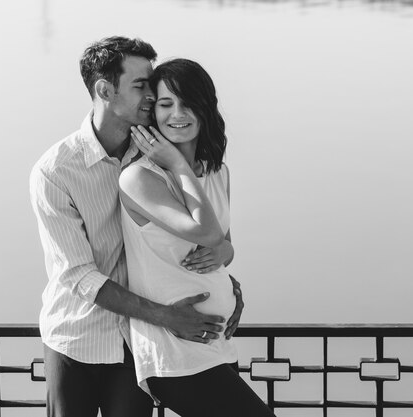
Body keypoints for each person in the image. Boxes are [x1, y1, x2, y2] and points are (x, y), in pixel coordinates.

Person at [29, 37, 244, 417]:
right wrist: (167, 316)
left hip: (137, 341)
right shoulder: (56, 171)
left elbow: (193, 232)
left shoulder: (155, 149)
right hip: (78, 337)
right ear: (104, 90)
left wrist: (223, 282)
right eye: (141, 85)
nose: (152, 94)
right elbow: (79, 276)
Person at [120, 59, 274, 417]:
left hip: (216, 345)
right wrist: (176, 164)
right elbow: (206, 232)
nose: (178, 113)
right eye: (165, 104)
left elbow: (223, 244)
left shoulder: (217, 172)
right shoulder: (140, 179)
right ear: (152, 113)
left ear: (205, 108)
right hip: (175, 353)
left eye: (188, 103)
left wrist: (226, 252)